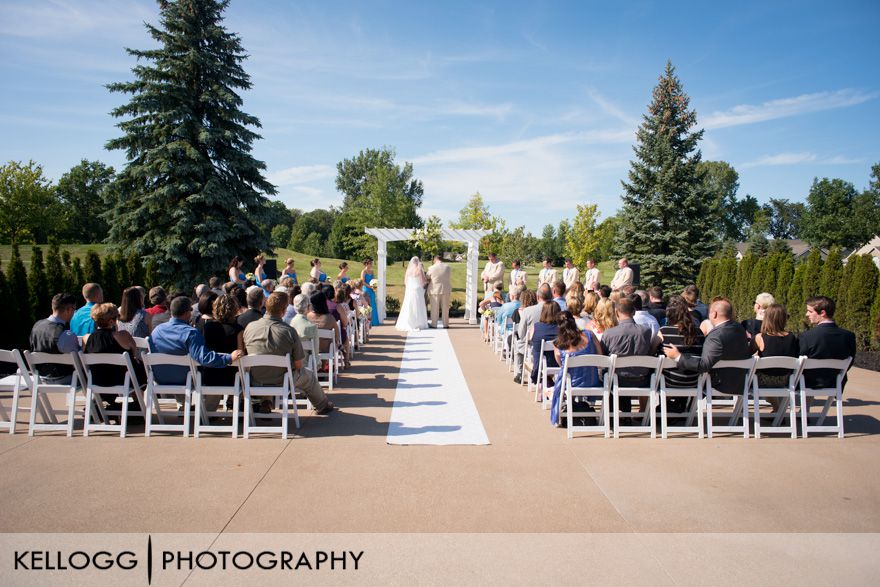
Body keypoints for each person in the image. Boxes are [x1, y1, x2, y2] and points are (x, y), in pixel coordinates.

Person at [244, 292, 335, 415]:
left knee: (268, 369)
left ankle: (267, 401)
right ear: (284, 310)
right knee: (308, 376)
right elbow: (298, 365)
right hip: (282, 380)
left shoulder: (250, 327)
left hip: (255, 378)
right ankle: (322, 405)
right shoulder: (288, 331)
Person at [664, 298, 751, 396]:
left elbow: (704, 365)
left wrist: (678, 356)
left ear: (714, 314)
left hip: (719, 384)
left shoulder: (716, 336)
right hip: (741, 382)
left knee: (692, 378)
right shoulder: (739, 329)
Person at [149, 296, 242, 385]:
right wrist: (229, 358)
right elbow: (204, 358)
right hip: (186, 380)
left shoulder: (157, 331)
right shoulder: (190, 333)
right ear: (187, 313)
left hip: (159, 378)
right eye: (191, 309)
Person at [600, 298, 660, 411]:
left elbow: (603, 357)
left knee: (608, 372)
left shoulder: (609, 333)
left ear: (616, 312)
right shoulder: (646, 331)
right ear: (633, 312)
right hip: (642, 379)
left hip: (617, 380)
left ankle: (618, 413)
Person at [82, 303, 147, 406]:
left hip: (97, 381)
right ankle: (137, 405)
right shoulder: (123, 336)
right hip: (123, 381)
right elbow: (134, 353)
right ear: (111, 321)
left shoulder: (86, 338)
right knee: (137, 366)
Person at [550, 311, 603, 425]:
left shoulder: (557, 344)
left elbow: (561, 366)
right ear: (574, 321)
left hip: (571, 384)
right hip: (592, 381)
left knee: (563, 375)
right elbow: (601, 358)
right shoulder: (590, 335)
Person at [799, 296, 856, 389]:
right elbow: (850, 361)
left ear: (822, 313)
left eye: (810, 311)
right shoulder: (849, 336)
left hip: (807, 383)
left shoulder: (807, 336)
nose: (806, 314)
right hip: (836, 382)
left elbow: (798, 362)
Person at [753, 303, 800, 410]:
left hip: (763, 381)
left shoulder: (760, 337)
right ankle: (778, 410)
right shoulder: (792, 337)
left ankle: (777, 408)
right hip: (787, 379)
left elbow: (747, 354)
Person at [29, 293, 80, 384]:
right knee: (92, 375)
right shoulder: (66, 335)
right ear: (68, 310)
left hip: (40, 377)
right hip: (63, 378)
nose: (74, 313)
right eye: (74, 309)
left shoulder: (36, 326)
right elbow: (78, 359)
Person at [199, 294, 244, 394]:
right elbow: (240, 354)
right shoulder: (238, 329)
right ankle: (234, 400)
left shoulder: (207, 327)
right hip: (230, 376)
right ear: (235, 309)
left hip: (210, 373)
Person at [657, 296, 705, 389]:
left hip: (669, 381)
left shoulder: (663, 331)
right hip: (694, 381)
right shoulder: (698, 332)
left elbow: (651, 349)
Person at [513, 284, 550, 383]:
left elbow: (521, 333)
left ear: (538, 297)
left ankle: (519, 373)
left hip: (531, 344)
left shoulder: (528, 311)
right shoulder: (554, 308)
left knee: (518, 343)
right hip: (550, 343)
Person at [529, 301, 561, 384]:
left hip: (540, 365)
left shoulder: (536, 327)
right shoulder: (562, 329)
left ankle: (546, 380)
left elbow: (531, 341)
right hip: (559, 363)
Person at [396, 256, 429, 332]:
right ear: (417, 262)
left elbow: (405, 282)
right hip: (417, 289)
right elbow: (423, 280)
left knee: (408, 305)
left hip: (410, 289)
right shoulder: (419, 270)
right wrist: (427, 281)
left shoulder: (408, 270)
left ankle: (408, 322)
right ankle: (418, 323)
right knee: (418, 305)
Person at [307, 291, 341, 356]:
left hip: (311, 350)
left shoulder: (307, 317)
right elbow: (337, 337)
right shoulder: (330, 318)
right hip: (328, 350)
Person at [290, 294, 320, 364]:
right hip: (306, 366)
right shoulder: (312, 326)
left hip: (290, 365)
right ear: (309, 307)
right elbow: (315, 353)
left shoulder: (288, 323)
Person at [426, 254, 452, 329]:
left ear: (435, 259)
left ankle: (434, 324)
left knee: (434, 308)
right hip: (446, 289)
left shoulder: (431, 268)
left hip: (435, 289)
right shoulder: (448, 267)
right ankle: (445, 324)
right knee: (445, 308)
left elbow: (427, 277)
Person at [361, 257, 381, 327]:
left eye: (371, 263)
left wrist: (374, 285)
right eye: (370, 263)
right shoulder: (363, 271)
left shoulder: (372, 271)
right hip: (366, 289)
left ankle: (374, 322)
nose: (371, 264)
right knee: (367, 305)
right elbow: (362, 282)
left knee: (373, 303)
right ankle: (368, 322)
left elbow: (373, 280)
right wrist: (370, 286)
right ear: (366, 264)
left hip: (372, 290)